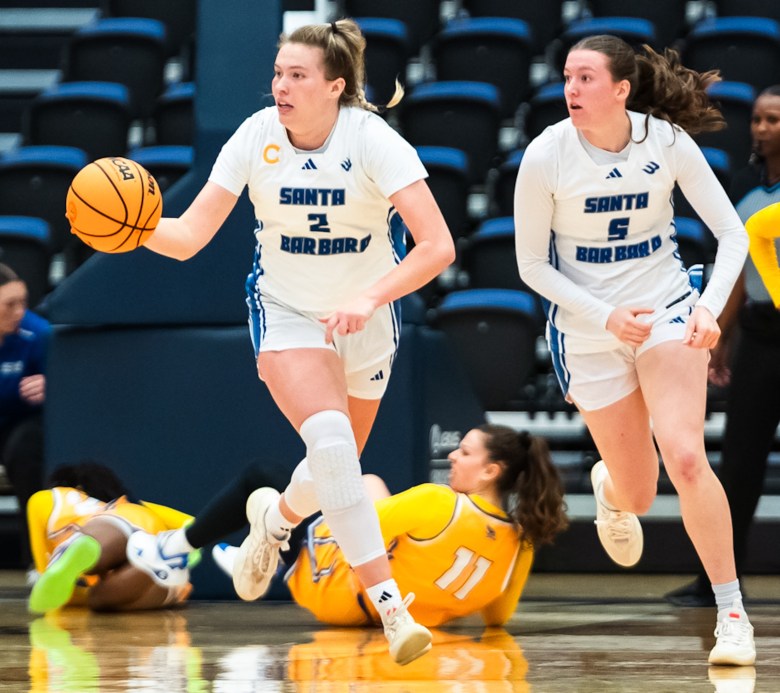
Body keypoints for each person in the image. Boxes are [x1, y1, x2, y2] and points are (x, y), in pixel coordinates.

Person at [121, 18, 455, 665]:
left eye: (297, 75)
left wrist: (369, 296)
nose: (281, 85)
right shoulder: (255, 136)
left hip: (366, 319)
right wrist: (132, 228)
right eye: (278, 73)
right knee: (333, 446)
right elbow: (189, 236)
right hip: (287, 312)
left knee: (333, 468)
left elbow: (439, 246)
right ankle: (392, 608)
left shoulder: (372, 140)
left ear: (336, 85)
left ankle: (271, 524)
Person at [513, 35, 755, 666]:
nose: (571, 89)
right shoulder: (546, 156)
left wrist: (707, 310)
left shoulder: (665, 142)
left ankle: (732, 612)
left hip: (668, 306)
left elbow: (732, 234)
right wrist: (604, 315)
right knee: (641, 494)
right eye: (567, 76)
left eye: (586, 78)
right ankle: (616, 490)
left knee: (686, 456)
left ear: (622, 89)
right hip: (589, 329)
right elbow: (532, 265)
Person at [127, 424, 568, 628]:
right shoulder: (520, 542)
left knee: (269, 475)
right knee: (367, 487)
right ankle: (257, 547)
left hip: (335, 591)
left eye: (466, 452)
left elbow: (349, 532)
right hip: (398, 622)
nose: (453, 455)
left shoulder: (439, 501)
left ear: (492, 471)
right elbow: (498, 617)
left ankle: (186, 548)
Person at [666, 86, 780, 608]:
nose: (761, 129)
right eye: (757, 119)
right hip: (758, 333)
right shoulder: (742, 184)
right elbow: (736, 273)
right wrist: (721, 337)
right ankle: (715, 583)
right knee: (739, 462)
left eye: (773, 120)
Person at [26, 462, 197, 614]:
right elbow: (191, 523)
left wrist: (52, 577)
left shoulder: (46, 497)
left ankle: (78, 548)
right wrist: (190, 548)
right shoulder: (128, 504)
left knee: (94, 594)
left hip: (99, 529)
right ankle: (165, 556)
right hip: (136, 525)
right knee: (100, 600)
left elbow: (44, 572)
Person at [0, 263, 49, 567]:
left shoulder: (39, 333)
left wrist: (52, 384)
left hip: (24, 421)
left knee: (25, 451)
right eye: (9, 305)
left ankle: (37, 561)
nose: (20, 311)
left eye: (23, 302)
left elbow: (76, 383)